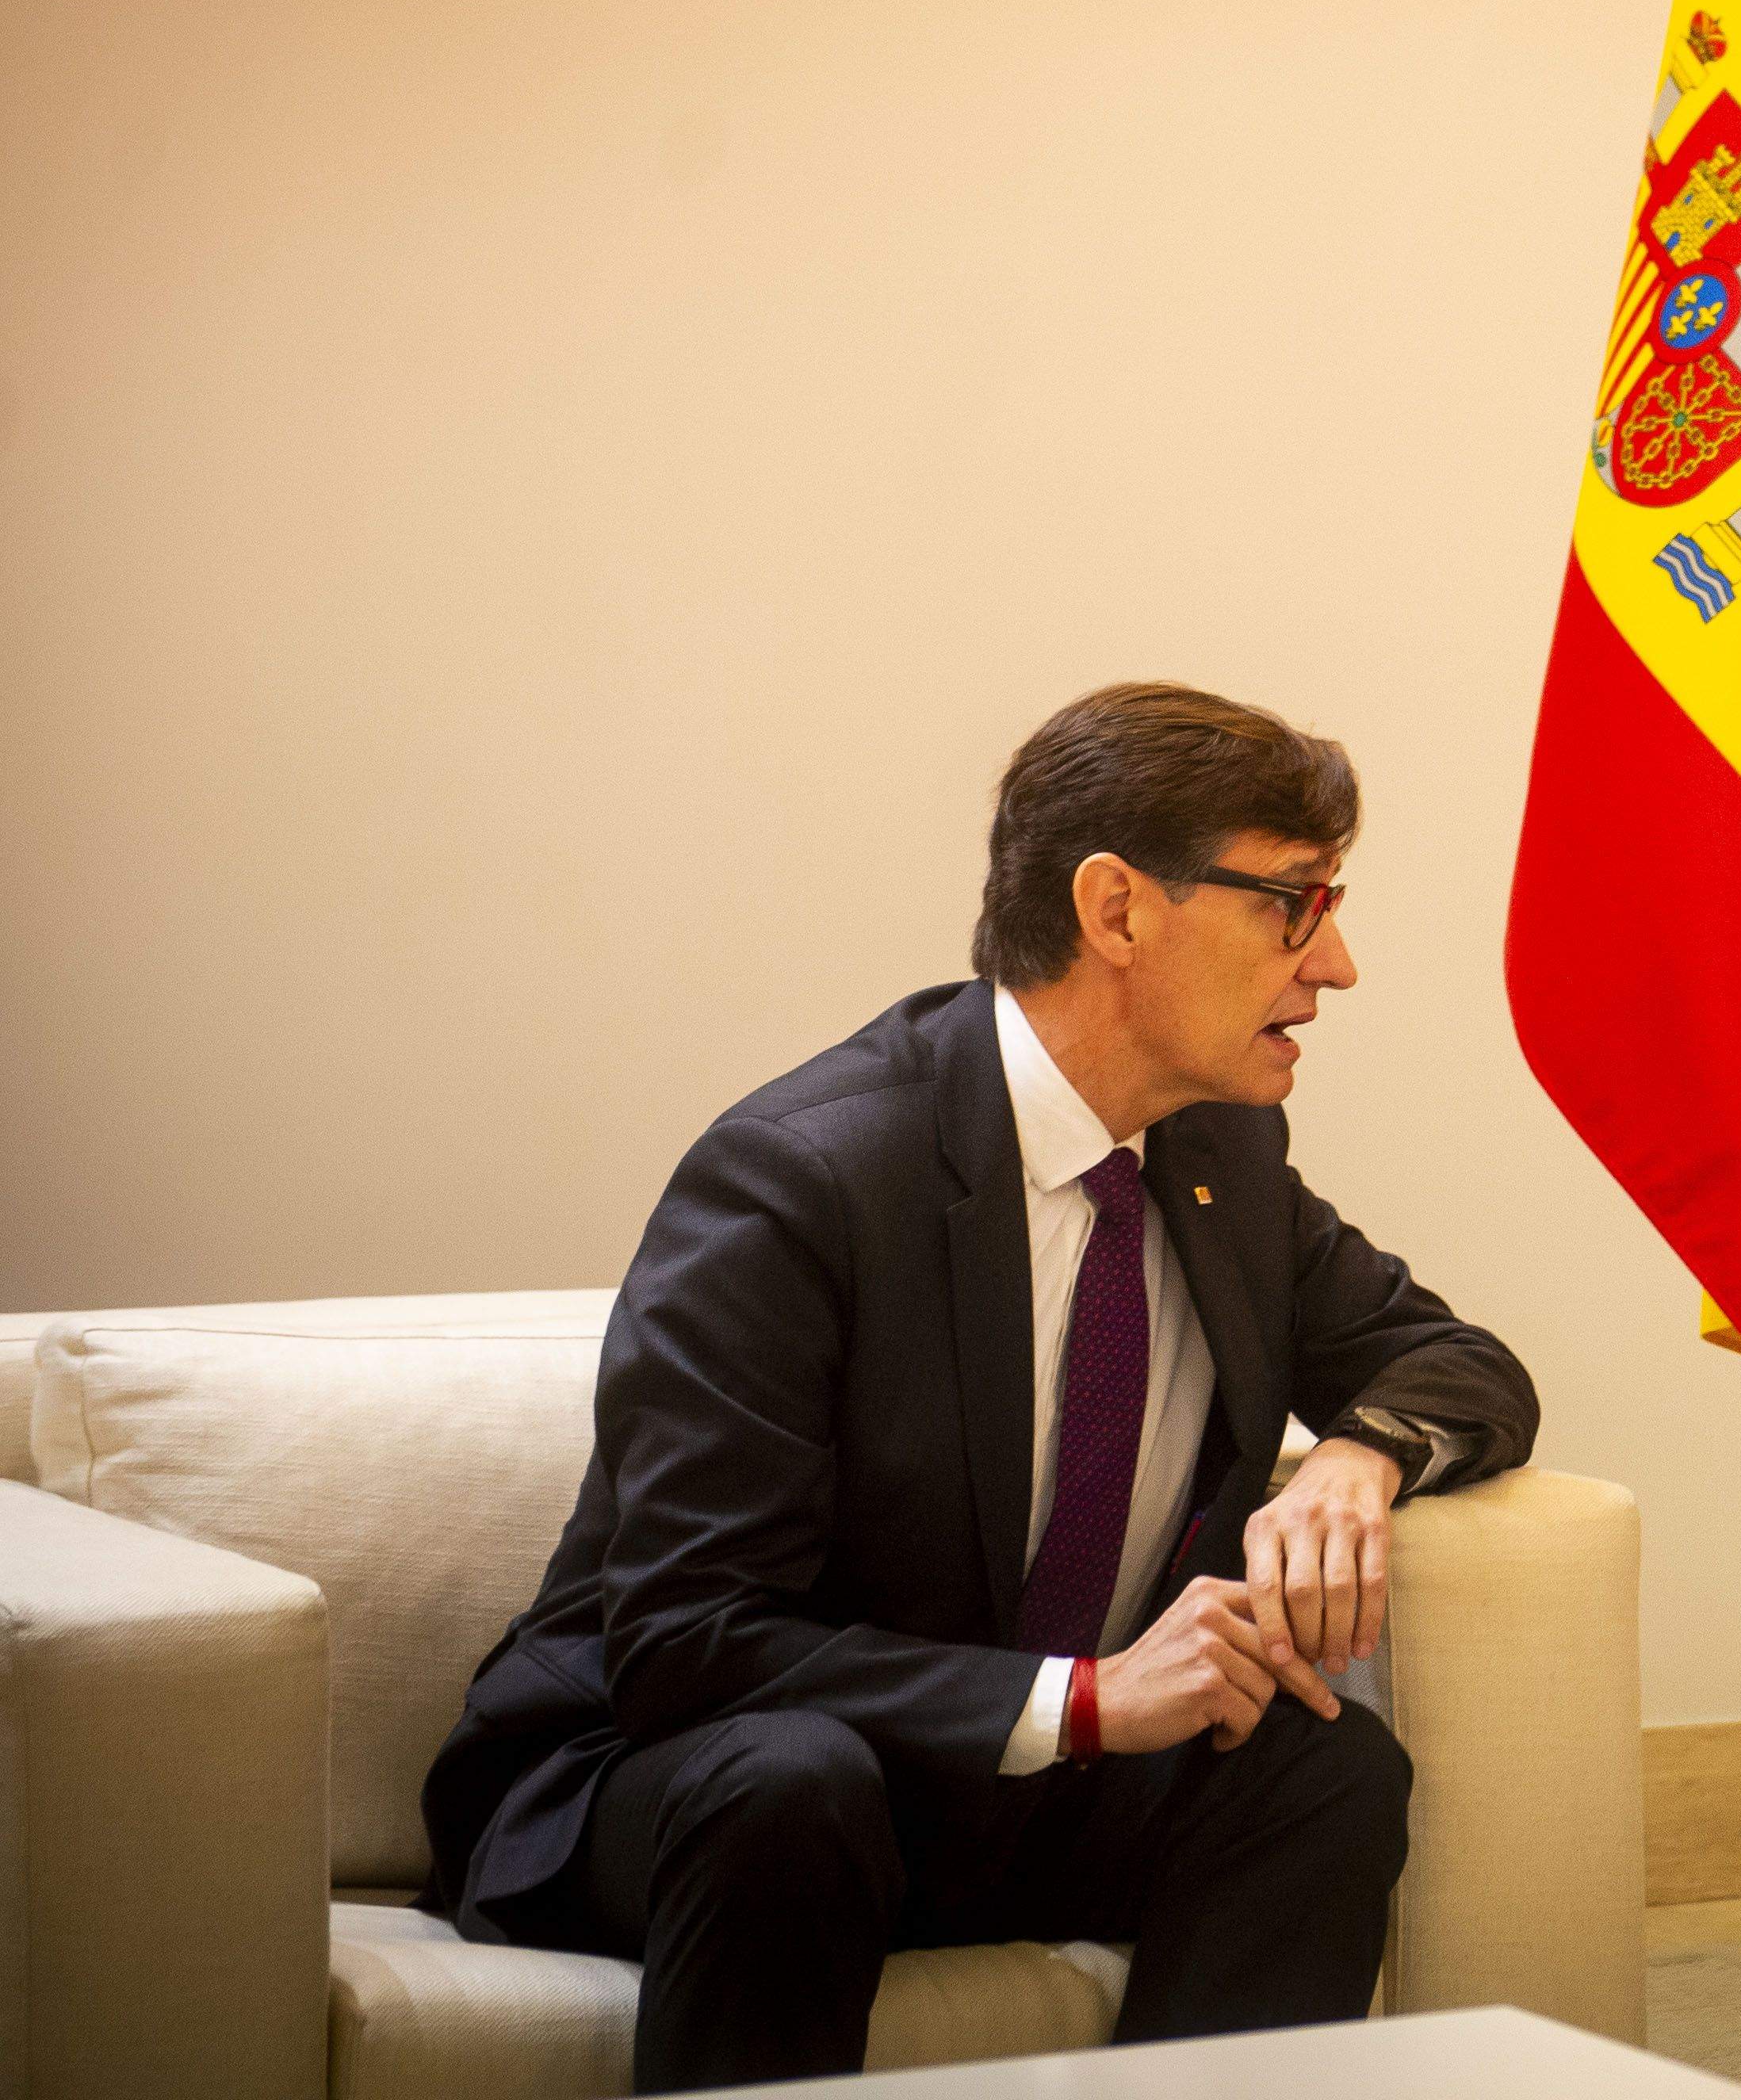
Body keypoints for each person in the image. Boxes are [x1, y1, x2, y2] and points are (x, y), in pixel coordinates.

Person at [420, 682, 1539, 2092]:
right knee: (793, 1782)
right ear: (1118, 910)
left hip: (995, 1805)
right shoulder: (804, 1178)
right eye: (1295, 905)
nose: (1339, 966)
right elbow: (688, 1639)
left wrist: (1355, 1455)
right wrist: (1083, 1703)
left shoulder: (1218, 1161)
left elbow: (1462, 1363)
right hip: (686, 1779)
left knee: (1327, 1769)